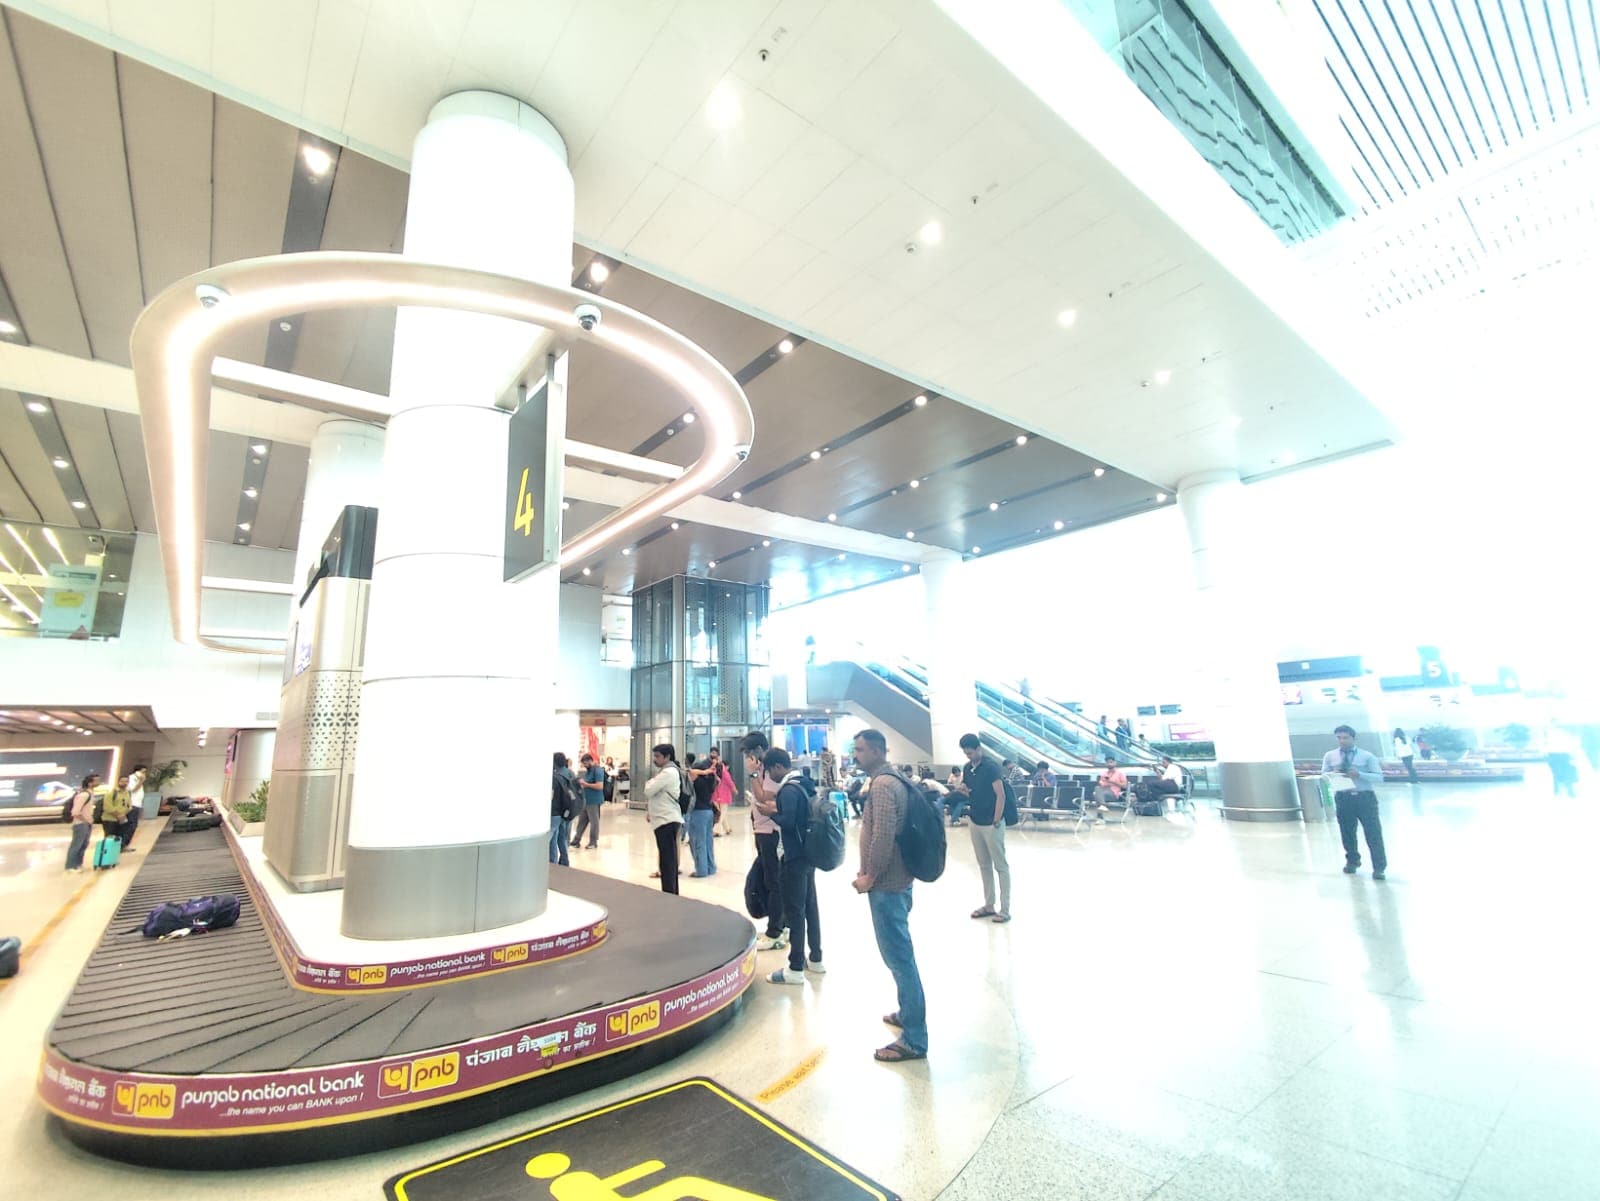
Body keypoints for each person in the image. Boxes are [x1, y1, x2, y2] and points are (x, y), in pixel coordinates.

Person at [850, 728, 927, 1064]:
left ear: (879, 751)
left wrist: (870, 876)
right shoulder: (894, 779)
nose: (856, 755)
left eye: (861, 750)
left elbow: (882, 836)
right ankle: (906, 1011)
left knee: (899, 959)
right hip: (900, 880)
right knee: (899, 956)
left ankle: (914, 1039)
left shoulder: (882, 785)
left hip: (887, 885)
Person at [759, 747, 823, 983]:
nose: (769, 777)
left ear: (777, 767)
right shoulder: (804, 784)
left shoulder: (788, 789)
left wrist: (770, 812)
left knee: (795, 911)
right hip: (809, 854)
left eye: (769, 771)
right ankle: (815, 959)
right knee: (811, 907)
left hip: (793, 857)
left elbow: (787, 822)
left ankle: (795, 967)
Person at [953, 732, 1011, 922]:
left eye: (970, 753)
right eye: (966, 754)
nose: (968, 756)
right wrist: (962, 788)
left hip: (992, 822)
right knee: (984, 864)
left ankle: (1005, 909)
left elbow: (1000, 795)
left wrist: (996, 820)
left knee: (1000, 866)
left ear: (979, 748)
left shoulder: (991, 767)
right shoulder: (968, 768)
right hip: (975, 820)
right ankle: (989, 904)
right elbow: (967, 786)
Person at [741, 731, 787, 951]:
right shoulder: (761, 769)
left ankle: (775, 931)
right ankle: (781, 924)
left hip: (771, 832)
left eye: (750, 752)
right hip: (761, 831)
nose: (748, 757)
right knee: (770, 879)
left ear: (760, 749)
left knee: (774, 881)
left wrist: (752, 776)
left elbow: (765, 797)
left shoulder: (771, 769)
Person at [1323, 724, 1387, 880]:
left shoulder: (1367, 756)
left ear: (1353, 738)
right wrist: (1333, 774)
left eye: (1345, 737)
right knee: (1347, 832)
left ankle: (1379, 867)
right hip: (1343, 798)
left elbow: (1379, 777)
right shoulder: (1330, 756)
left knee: (1373, 833)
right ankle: (1352, 860)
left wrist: (1360, 775)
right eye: (1339, 738)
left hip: (1364, 797)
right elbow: (1324, 775)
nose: (1342, 741)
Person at [643, 744, 685, 894]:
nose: (655, 759)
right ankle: (671, 892)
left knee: (667, 861)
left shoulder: (668, 772)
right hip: (666, 818)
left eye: (658, 756)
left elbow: (648, 790)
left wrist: (650, 782)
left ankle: (669, 893)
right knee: (668, 859)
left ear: (667, 757)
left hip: (666, 820)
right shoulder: (666, 772)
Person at [685, 752, 719, 877]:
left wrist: (704, 772)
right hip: (708, 812)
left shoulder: (697, 779)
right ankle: (710, 867)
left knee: (697, 842)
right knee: (708, 842)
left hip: (697, 813)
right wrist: (709, 771)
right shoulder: (711, 781)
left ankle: (701, 870)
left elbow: (688, 771)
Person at [570, 753, 606, 849]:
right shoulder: (588, 771)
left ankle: (593, 842)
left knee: (594, 822)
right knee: (582, 821)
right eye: (583, 764)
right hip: (586, 800)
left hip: (594, 801)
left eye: (586, 763)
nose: (585, 766)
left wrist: (586, 784)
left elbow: (599, 786)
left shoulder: (598, 771)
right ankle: (576, 840)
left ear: (590, 761)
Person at [64, 774, 99, 872]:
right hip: (80, 824)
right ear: (90, 783)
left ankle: (78, 864)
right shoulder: (84, 795)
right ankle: (70, 866)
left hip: (87, 823)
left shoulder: (91, 793)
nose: (98, 782)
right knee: (77, 845)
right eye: (96, 780)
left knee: (84, 845)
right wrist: (85, 820)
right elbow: (75, 812)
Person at [549, 754, 574, 867]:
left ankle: (553, 862)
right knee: (562, 836)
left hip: (555, 812)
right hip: (566, 811)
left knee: (553, 838)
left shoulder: (555, 776)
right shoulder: (570, 773)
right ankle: (564, 860)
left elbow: (552, 796)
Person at [121, 764, 147, 851]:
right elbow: (133, 789)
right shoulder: (132, 778)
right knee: (131, 825)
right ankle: (123, 844)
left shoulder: (138, 779)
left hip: (137, 804)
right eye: (142, 772)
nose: (144, 774)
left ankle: (125, 844)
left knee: (133, 825)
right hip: (132, 804)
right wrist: (141, 781)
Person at [101, 776, 132, 848]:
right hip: (110, 820)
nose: (124, 783)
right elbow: (107, 807)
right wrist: (118, 815)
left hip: (122, 819)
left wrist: (123, 815)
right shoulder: (111, 793)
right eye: (122, 781)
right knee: (109, 838)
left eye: (126, 781)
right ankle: (107, 853)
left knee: (120, 836)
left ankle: (118, 850)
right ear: (118, 782)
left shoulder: (128, 793)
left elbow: (129, 806)